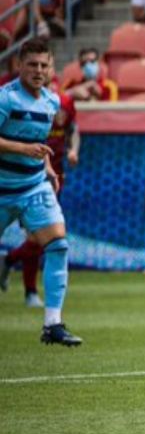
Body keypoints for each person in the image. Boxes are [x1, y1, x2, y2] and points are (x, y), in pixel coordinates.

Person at [0, 38, 81, 346]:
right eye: (32, 64)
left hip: (34, 186)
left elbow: (38, 141)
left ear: (51, 69)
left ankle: (53, 325)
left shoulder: (52, 102)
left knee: (58, 246)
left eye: (43, 65)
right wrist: (23, 149)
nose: (38, 70)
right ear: (19, 65)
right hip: (2, 187)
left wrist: (46, 165)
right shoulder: (5, 100)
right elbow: (24, 143)